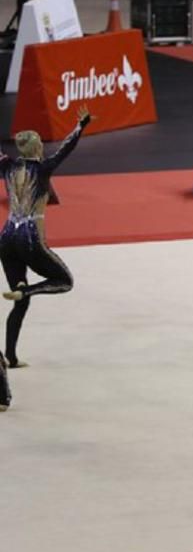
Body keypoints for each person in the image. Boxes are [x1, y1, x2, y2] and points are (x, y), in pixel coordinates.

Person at [0, 107, 90, 369]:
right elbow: (67, 148)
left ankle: (11, 357)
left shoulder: (7, 165)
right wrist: (81, 125)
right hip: (29, 238)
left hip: (6, 239)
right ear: (37, 148)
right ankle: (25, 290)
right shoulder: (43, 168)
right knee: (64, 280)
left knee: (19, 299)